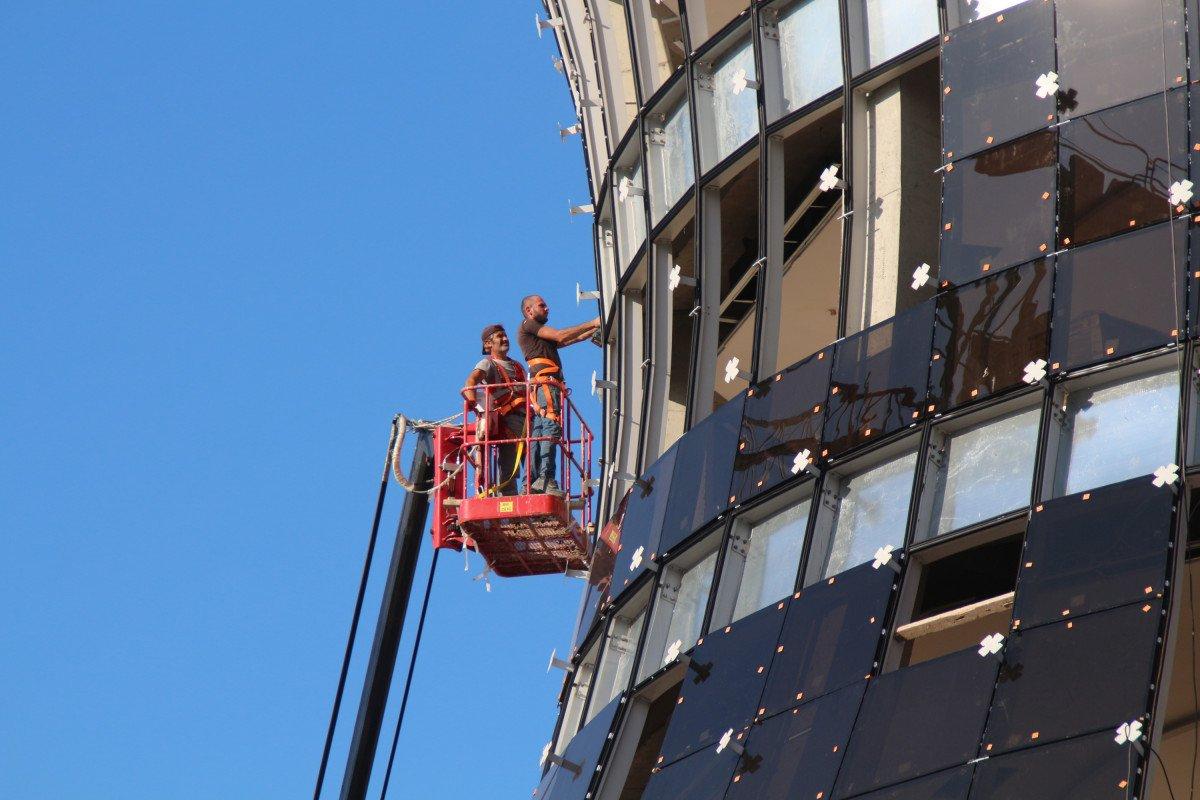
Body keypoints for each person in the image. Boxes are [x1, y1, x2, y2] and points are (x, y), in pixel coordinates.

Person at [517, 294, 601, 494]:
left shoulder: (538, 337)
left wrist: (594, 329)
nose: (547, 308)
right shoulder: (529, 325)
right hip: (546, 386)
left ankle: (532, 483)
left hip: (542, 387)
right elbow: (561, 336)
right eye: (542, 305)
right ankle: (546, 480)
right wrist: (594, 322)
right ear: (529, 311)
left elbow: (571, 338)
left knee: (539, 433)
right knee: (550, 427)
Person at [461, 324, 527, 496]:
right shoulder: (487, 364)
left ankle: (532, 493)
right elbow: (471, 381)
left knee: (534, 460)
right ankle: (509, 501)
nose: (505, 339)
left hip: (527, 418)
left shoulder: (518, 366)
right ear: (488, 344)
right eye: (499, 336)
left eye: (505, 336)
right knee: (509, 466)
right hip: (509, 420)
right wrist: (475, 405)